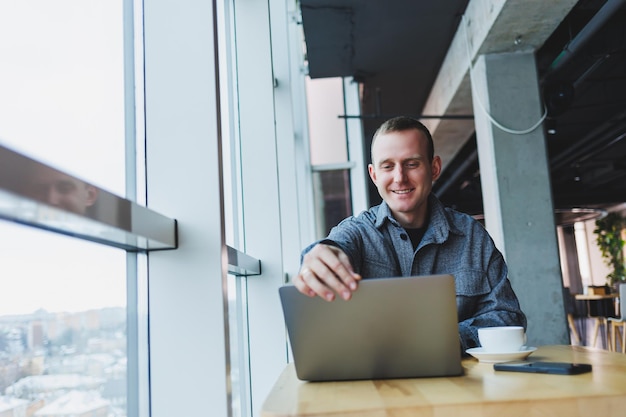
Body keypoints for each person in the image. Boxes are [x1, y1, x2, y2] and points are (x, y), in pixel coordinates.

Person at [294, 116, 526, 351]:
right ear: (374, 175)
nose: (399, 177)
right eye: (388, 166)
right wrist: (321, 254)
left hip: (457, 383)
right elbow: (336, 245)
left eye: (412, 163)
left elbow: (507, 317)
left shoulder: (472, 237)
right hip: (375, 383)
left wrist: (449, 339)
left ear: (434, 168)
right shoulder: (357, 232)